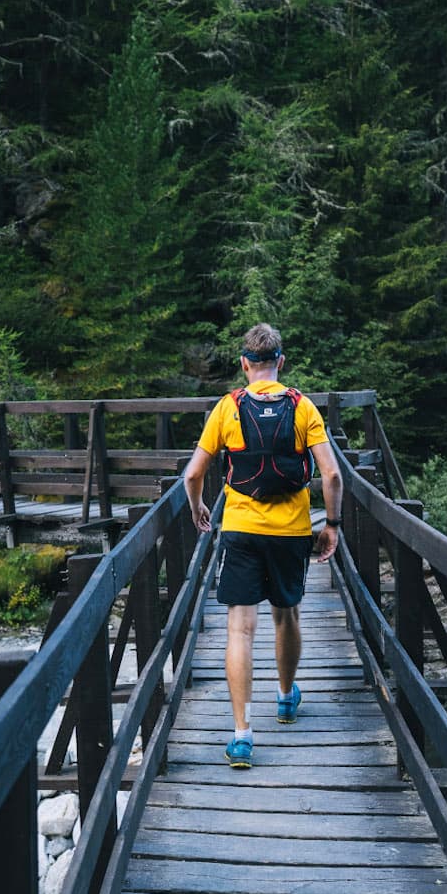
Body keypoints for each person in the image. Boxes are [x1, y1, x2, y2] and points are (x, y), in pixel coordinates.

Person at [180, 322, 344, 769]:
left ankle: (242, 734)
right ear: (281, 362)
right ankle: (287, 697)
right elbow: (331, 474)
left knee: (239, 629)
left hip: (241, 528)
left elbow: (193, 474)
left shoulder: (227, 408)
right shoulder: (303, 406)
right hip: (291, 530)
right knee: (286, 614)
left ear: (245, 364)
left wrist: (198, 509)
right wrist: (331, 524)